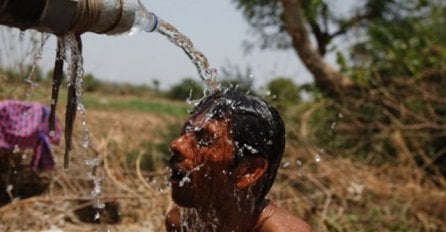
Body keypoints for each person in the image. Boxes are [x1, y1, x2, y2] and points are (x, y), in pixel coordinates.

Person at [165, 89, 311, 231]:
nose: (177, 144)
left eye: (204, 139)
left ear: (249, 171)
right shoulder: (183, 224)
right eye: (186, 131)